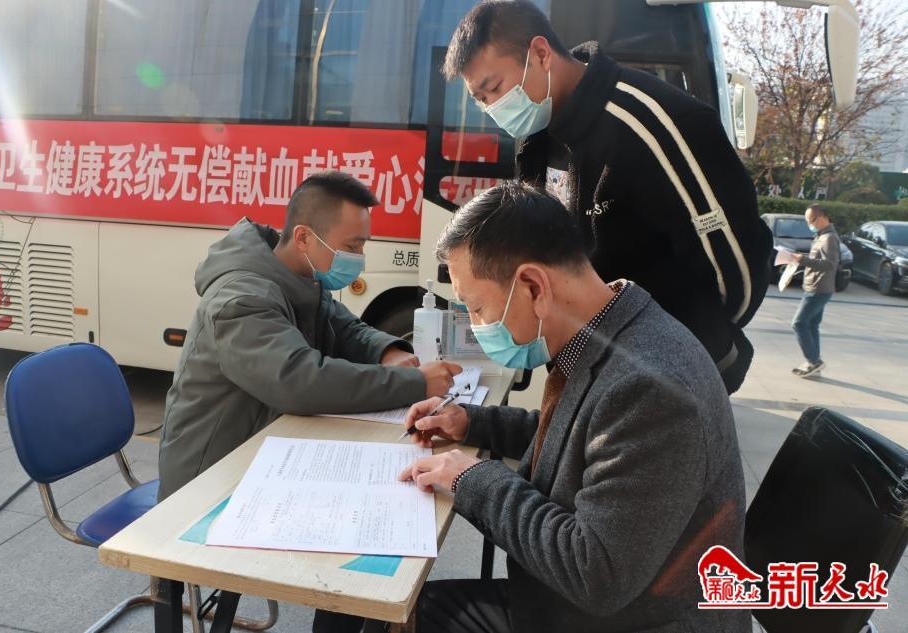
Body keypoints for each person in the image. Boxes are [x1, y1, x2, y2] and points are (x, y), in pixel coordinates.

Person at [399, 182, 749, 633]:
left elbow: (595, 572)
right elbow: (580, 435)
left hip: (623, 620)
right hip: (573, 605)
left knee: (406, 615)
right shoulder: (613, 332)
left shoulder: (651, 389)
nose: (477, 326)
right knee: (410, 609)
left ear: (533, 285)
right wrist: (472, 422)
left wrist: (471, 478)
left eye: (478, 307)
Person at [157, 171, 461, 633]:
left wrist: (388, 352)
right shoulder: (241, 297)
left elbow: (344, 328)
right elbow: (299, 381)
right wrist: (414, 384)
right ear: (304, 237)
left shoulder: (299, 275)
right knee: (359, 535)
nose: (358, 258)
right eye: (353, 245)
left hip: (267, 454)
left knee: (370, 521)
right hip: (209, 479)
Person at [443, 0, 773, 394]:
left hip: (670, 374)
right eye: (481, 99)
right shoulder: (536, 137)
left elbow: (737, 270)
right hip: (594, 363)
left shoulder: (653, 123)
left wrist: (696, 340)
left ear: (541, 54)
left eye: (494, 88)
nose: (492, 107)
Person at [789, 204, 839, 379]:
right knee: (811, 325)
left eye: (811, 220)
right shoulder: (821, 236)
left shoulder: (829, 238)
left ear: (822, 217)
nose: (809, 224)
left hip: (818, 289)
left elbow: (829, 264)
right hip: (816, 286)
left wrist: (803, 260)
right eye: (807, 221)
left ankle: (813, 360)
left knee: (798, 323)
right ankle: (814, 362)